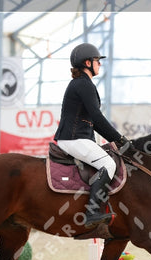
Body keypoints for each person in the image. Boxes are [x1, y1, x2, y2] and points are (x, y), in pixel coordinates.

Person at [54, 43, 131, 229]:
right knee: (108, 164)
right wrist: (119, 138)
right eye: (97, 61)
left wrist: (116, 140)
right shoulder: (83, 84)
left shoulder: (83, 84)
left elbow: (94, 122)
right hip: (73, 138)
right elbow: (97, 117)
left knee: (109, 159)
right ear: (87, 62)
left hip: (78, 137)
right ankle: (92, 212)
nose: (99, 64)